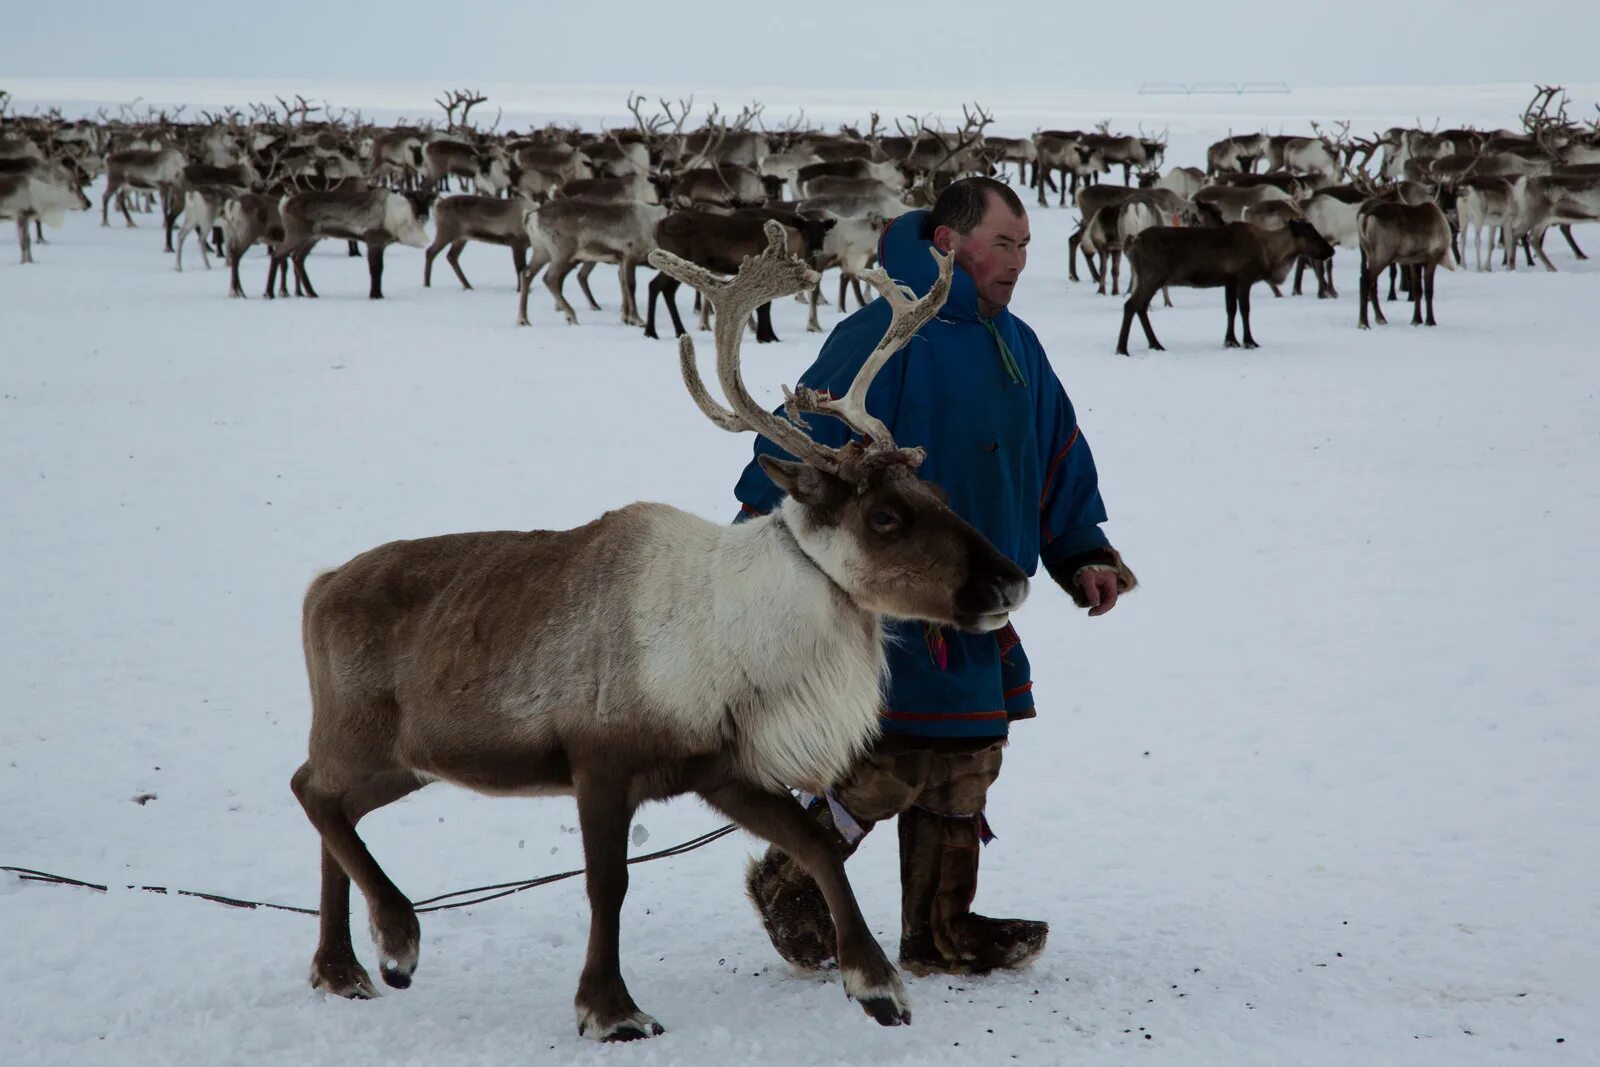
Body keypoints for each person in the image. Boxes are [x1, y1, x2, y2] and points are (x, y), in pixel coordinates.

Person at [733, 176, 1137, 977]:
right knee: (895, 759)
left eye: (1025, 245)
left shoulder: (1017, 343)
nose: (1019, 261)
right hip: (892, 600)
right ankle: (791, 880)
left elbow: (1055, 456)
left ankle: (941, 925)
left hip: (979, 594)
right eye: (1004, 244)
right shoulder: (881, 335)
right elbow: (799, 448)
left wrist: (1082, 548)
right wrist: (755, 549)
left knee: (969, 758)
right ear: (950, 244)